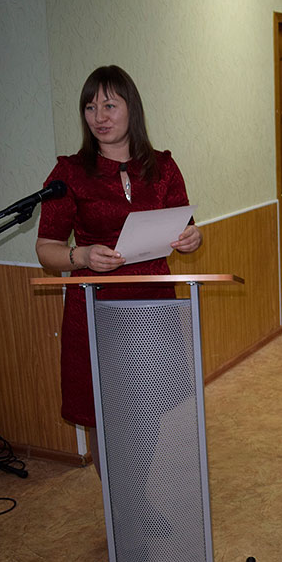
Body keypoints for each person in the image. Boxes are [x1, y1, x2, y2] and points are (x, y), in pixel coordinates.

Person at [35, 65, 202, 472]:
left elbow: (186, 226)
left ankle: (135, 495)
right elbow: (46, 249)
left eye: (110, 105)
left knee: (149, 407)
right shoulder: (69, 173)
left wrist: (193, 238)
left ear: (132, 109)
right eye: (90, 107)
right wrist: (83, 256)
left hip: (153, 308)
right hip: (97, 310)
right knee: (103, 412)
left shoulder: (162, 167)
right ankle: (118, 504)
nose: (99, 117)